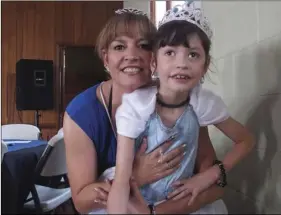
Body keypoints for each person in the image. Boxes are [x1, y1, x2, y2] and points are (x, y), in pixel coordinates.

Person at [63, 7, 227, 215]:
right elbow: (81, 202)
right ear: (106, 59)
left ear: (155, 56)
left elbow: (216, 181)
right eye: (120, 46)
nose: (132, 55)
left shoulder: (180, 96)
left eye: (143, 45)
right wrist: (135, 176)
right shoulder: (82, 114)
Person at [107, 2, 255, 214]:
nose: (182, 63)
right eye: (170, 53)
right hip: (139, 203)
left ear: (205, 64)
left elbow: (246, 140)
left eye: (193, 54)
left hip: (184, 204)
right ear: (154, 62)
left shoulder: (203, 103)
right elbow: (121, 182)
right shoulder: (136, 107)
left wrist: (209, 175)